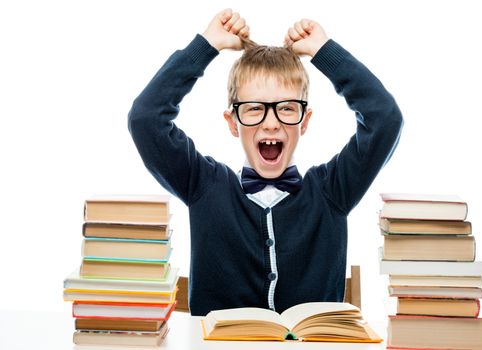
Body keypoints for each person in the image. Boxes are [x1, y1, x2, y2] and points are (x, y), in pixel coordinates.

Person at [128, 8, 403, 316]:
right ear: (233, 123)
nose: (271, 123)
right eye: (254, 108)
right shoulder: (204, 185)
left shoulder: (332, 191)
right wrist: (206, 46)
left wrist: (326, 53)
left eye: (286, 108)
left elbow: (385, 119)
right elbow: (146, 118)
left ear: (305, 121)